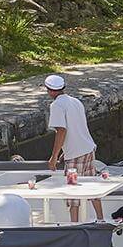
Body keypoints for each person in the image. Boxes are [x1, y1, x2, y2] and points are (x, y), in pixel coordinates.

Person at [44, 74, 103, 222]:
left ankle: (74, 226)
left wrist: (54, 157)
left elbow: (62, 131)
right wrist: (65, 150)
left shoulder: (56, 105)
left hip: (75, 155)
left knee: (72, 193)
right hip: (88, 148)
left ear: (50, 90)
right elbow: (77, 127)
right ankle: (101, 219)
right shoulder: (75, 101)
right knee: (92, 187)